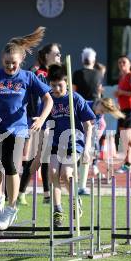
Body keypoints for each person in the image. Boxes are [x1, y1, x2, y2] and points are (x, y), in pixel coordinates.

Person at [0, 27, 53, 231]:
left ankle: (11, 207)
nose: (10, 67)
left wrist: (41, 119)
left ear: (21, 59)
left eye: (14, 63)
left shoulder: (28, 77)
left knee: (12, 166)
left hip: (18, 129)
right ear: (1, 60)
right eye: (7, 63)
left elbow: (48, 99)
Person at [32, 64, 95, 227]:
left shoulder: (75, 99)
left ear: (66, 82)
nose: (57, 88)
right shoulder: (48, 101)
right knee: (53, 172)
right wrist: (38, 153)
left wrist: (87, 148)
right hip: (55, 142)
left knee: (66, 173)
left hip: (75, 142)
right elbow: (41, 128)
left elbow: (88, 125)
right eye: (53, 85)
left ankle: (75, 200)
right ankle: (58, 210)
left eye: (60, 84)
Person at [17, 43, 61, 206]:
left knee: (46, 157)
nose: (59, 57)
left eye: (59, 54)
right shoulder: (39, 73)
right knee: (35, 158)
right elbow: (36, 99)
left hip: (51, 120)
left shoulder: (54, 74)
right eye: (56, 54)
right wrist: (39, 119)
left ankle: (47, 194)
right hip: (38, 120)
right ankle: (20, 193)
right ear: (46, 56)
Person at [78, 98, 125, 195]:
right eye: (102, 110)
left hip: (86, 135)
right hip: (72, 131)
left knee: (86, 158)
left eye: (104, 112)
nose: (101, 113)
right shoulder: (84, 105)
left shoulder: (99, 116)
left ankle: (81, 187)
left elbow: (92, 129)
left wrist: (91, 145)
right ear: (99, 103)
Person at [114, 55, 131, 173]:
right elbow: (123, 94)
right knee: (124, 139)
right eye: (119, 62)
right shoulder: (121, 77)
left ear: (130, 64)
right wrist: (119, 97)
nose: (121, 64)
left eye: (124, 62)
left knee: (127, 137)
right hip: (122, 110)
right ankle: (128, 163)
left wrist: (122, 92)